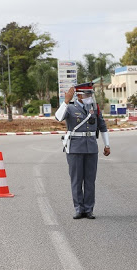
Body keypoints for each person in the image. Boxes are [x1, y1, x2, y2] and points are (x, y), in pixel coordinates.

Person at [55, 83, 110, 219]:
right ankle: (79, 208)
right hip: (75, 148)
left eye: (90, 94)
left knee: (90, 180)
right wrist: (66, 101)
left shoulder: (94, 108)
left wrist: (107, 144)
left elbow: (102, 126)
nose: (89, 97)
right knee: (77, 180)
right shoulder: (70, 107)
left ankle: (89, 209)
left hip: (91, 148)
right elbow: (58, 117)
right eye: (86, 94)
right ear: (78, 95)